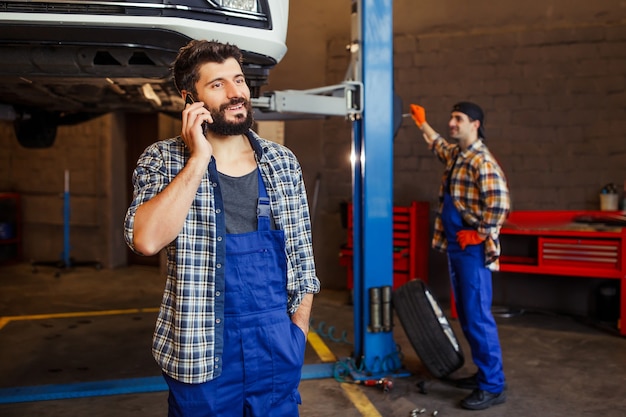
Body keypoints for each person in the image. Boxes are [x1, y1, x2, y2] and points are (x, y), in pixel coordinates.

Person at [124, 39, 320, 417]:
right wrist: (199, 159)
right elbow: (146, 240)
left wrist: (296, 335)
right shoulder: (162, 160)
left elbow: (303, 260)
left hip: (276, 353)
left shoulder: (281, 162)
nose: (236, 94)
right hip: (200, 357)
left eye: (240, 80)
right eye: (217, 85)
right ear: (190, 99)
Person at [410, 102, 510, 410]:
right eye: (451, 117)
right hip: (457, 247)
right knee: (467, 316)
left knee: (478, 317)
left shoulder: (482, 161)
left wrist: (481, 232)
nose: (452, 123)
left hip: (473, 251)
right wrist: (421, 123)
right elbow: (439, 146)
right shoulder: (458, 155)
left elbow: (500, 203)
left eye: (458, 119)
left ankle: (494, 386)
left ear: (475, 124)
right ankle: (484, 375)